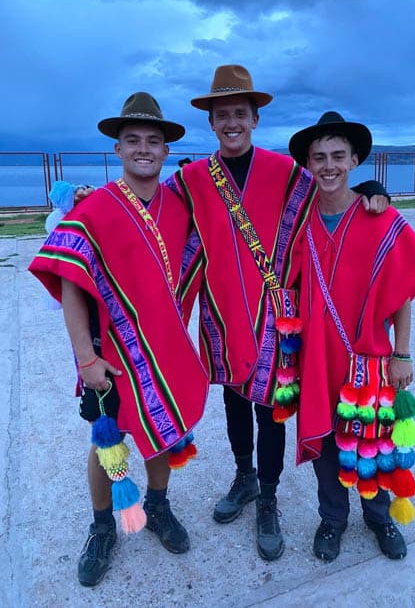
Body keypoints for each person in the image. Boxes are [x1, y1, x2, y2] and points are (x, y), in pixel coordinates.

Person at [167, 65, 390, 560]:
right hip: (220, 317)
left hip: (275, 318)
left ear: (255, 118)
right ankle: (244, 477)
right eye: (222, 114)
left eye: (240, 114)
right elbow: (163, 225)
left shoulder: (287, 173)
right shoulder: (191, 180)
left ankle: (267, 497)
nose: (231, 122)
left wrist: (375, 187)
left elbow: (334, 193)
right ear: (211, 121)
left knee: (272, 411)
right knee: (232, 404)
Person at [29, 92, 208, 586]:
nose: (144, 149)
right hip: (111, 355)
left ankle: (158, 506)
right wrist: (85, 358)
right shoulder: (94, 210)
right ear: (118, 148)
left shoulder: (181, 206)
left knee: (160, 434)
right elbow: (71, 288)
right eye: (133, 141)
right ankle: (103, 525)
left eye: (153, 141)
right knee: (106, 443)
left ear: (167, 150)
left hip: (166, 349)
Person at [289, 111, 415, 561]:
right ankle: (332, 520)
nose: (328, 165)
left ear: (355, 160)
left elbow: (402, 293)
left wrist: (403, 354)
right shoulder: (298, 224)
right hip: (316, 358)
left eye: (338, 155)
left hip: (369, 358)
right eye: (319, 157)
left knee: (373, 441)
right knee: (327, 444)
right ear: (308, 165)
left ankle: (379, 519)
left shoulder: (379, 217)